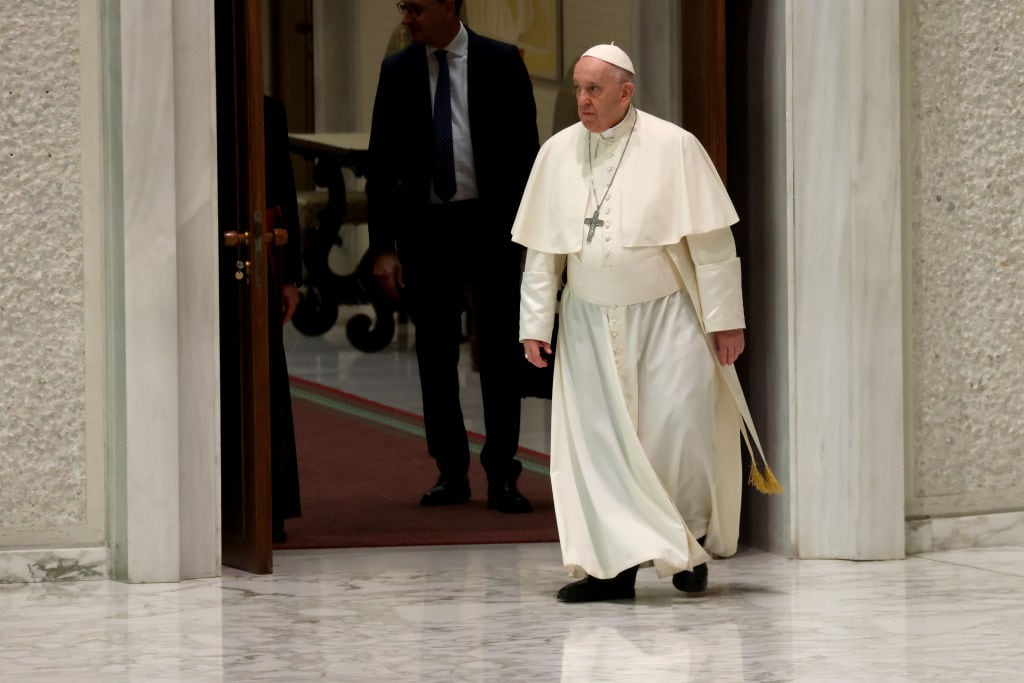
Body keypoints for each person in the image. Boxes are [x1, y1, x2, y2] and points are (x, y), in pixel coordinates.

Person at [515, 44, 780, 602]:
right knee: (599, 448)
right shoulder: (557, 153)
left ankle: (687, 547)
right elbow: (542, 253)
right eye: (578, 88)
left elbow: (712, 245)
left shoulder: (674, 146)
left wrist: (725, 321)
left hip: (668, 320)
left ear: (626, 92)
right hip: (587, 325)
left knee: (677, 437)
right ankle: (610, 571)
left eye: (594, 89)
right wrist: (535, 324)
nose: (583, 100)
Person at [367, 0, 540, 512]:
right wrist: (383, 246)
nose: (406, 18)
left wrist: (532, 238)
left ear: (448, 6)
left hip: (492, 228)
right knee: (435, 353)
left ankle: (503, 474)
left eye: (415, 8)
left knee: (501, 354)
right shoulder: (398, 70)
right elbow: (381, 164)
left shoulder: (502, 62)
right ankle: (450, 470)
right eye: (403, 7)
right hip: (428, 230)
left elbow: (528, 156)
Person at [264, 95, 302, 543]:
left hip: (260, 258)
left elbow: (283, 193)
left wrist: (291, 276)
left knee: (267, 383)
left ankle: (270, 506)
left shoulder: (266, 109)